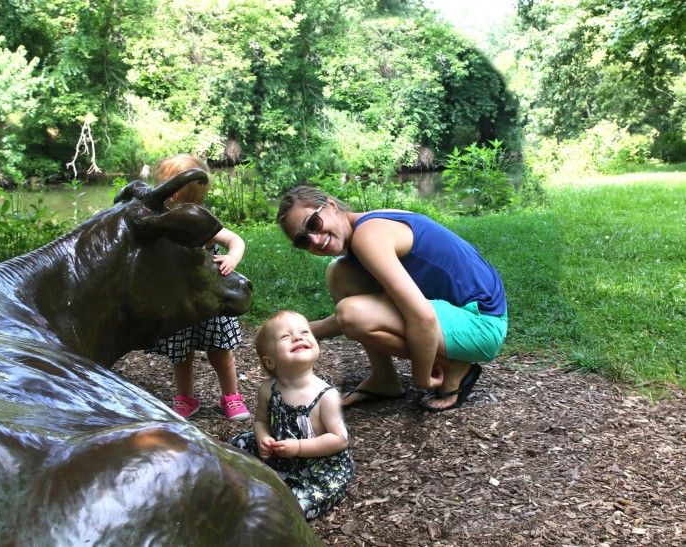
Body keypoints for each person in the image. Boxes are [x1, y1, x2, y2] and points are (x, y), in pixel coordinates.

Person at [276, 186, 507, 412]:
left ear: (331, 205)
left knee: (351, 313)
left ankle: (455, 366)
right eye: (302, 241)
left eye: (312, 224)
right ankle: (383, 377)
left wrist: (422, 378)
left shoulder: (368, 237)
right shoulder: (366, 226)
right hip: (459, 310)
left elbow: (422, 317)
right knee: (339, 273)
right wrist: (297, 333)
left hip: (482, 322)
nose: (314, 240)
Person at [146, 153, 251, 421]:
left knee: (220, 352)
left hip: (208, 296)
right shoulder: (160, 218)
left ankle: (231, 396)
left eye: (168, 186)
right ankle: (185, 398)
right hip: (180, 298)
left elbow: (234, 240)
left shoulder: (199, 219)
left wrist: (231, 258)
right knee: (182, 353)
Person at [229, 310, 354, 520]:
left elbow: (339, 440)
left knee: (298, 503)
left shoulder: (326, 395)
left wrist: (298, 447)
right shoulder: (268, 389)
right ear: (270, 362)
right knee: (235, 446)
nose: (298, 337)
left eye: (305, 332)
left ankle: (277, 509)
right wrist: (263, 439)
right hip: (279, 452)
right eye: (285, 336)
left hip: (317, 465)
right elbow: (260, 421)